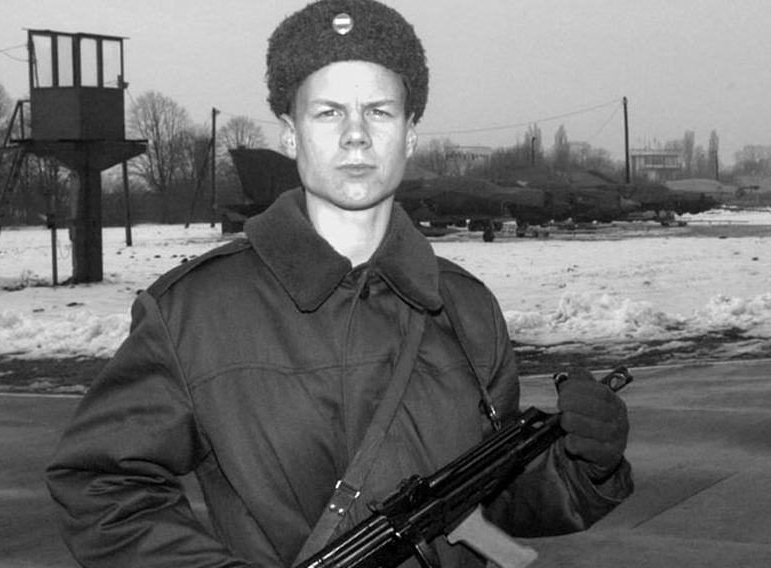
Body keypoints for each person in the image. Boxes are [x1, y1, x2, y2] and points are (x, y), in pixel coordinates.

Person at [45, 1, 633, 566]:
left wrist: (583, 464)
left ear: (409, 134)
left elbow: (495, 498)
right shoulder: (194, 312)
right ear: (290, 134)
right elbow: (99, 481)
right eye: (328, 112)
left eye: (379, 111)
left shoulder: (466, 309)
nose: (356, 135)